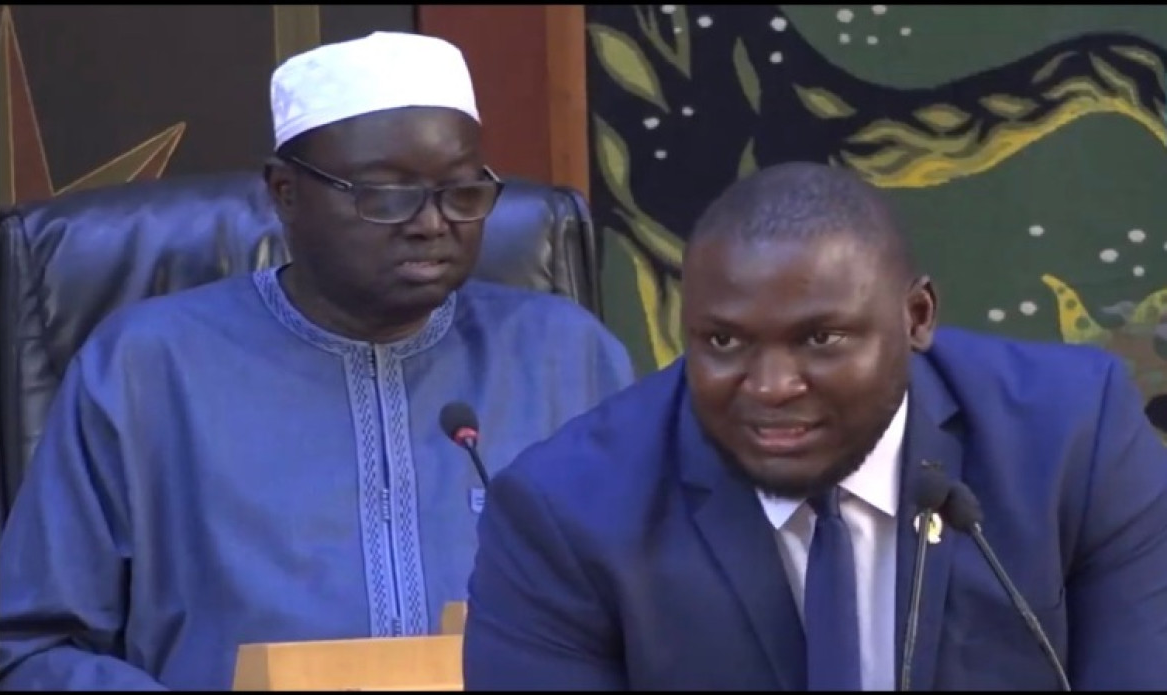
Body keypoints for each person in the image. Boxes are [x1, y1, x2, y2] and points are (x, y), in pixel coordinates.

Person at [0, 32, 635, 690]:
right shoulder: (145, 369)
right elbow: (32, 649)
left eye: (461, 191)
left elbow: (657, 605)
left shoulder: (566, 357)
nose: (432, 222)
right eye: (387, 194)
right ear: (285, 193)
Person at [462, 161, 1167, 691]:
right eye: (724, 342)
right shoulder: (565, 512)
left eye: (822, 339)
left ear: (916, 317)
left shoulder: (1073, 439)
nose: (771, 387)